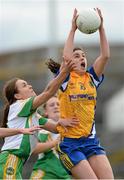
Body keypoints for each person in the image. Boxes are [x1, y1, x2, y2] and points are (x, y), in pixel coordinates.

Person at [46, 8, 114, 179]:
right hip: (70, 144)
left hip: (91, 142)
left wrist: (101, 28)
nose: (81, 58)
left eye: (83, 56)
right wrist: (72, 29)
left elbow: (105, 56)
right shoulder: (66, 79)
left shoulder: (91, 78)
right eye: (77, 56)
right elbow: (66, 58)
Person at [0, 58, 78, 179]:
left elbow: (56, 128)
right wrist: (64, 73)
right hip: (10, 159)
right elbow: (48, 92)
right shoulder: (19, 105)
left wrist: (64, 120)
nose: (30, 86)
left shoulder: (34, 116)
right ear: (17, 96)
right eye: (24, 85)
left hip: (17, 161)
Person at [30, 96, 71, 179]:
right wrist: (55, 143)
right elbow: (33, 148)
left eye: (58, 104)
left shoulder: (71, 130)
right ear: (45, 111)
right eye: (52, 105)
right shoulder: (41, 128)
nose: (56, 106)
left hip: (65, 176)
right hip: (45, 174)